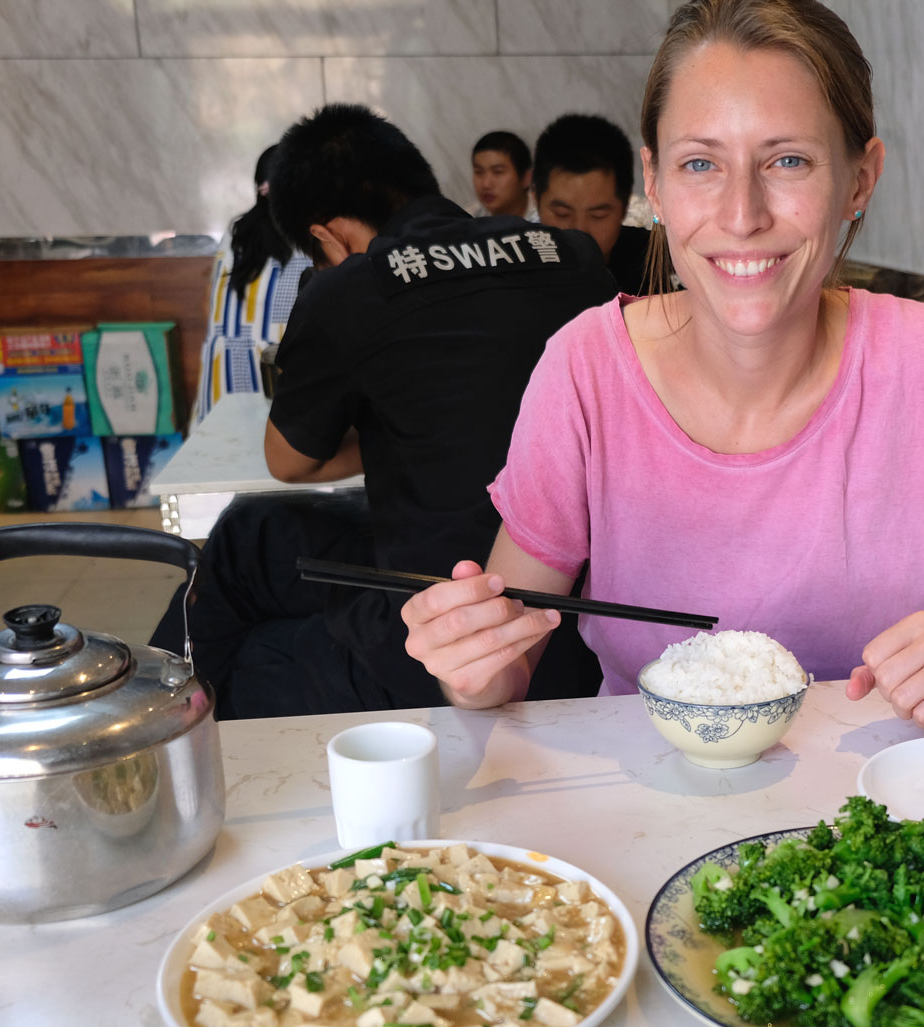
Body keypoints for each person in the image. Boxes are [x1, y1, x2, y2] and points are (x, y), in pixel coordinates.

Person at [400, 0, 924, 726]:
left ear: (859, 180)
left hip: (880, 818)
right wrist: (469, 666)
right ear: (656, 185)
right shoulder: (584, 370)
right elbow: (508, 659)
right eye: (701, 165)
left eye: (789, 161)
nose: (743, 216)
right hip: (652, 814)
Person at [151, 104, 616, 717]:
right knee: (245, 531)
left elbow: (290, 462)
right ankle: (167, 709)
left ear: (329, 234)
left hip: (448, 623)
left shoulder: (350, 287)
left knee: (252, 653)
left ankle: (161, 729)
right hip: (577, 594)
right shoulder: (574, 257)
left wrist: (397, 431)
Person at [194, 145, 314, 427]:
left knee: (224, 453)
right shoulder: (308, 236)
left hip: (222, 366)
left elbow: (210, 303)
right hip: (277, 368)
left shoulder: (236, 230)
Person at [533, 114, 654, 295]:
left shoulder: (656, 263)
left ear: (623, 207)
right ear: (536, 200)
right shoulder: (512, 269)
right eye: (562, 213)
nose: (580, 231)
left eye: (598, 215)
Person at [471, 131, 533, 219]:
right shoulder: (470, 219)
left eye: (498, 172)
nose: (486, 184)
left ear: (526, 178)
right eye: (479, 172)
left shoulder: (546, 217)